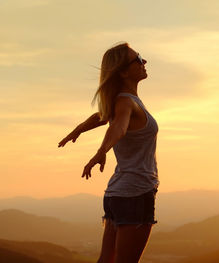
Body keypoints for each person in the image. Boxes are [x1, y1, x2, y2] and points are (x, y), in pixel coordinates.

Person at [58, 42, 160, 263]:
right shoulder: (125, 103)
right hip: (136, 192)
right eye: (138, 58)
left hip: (117, 193)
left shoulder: (122, 102)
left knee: (107, 259)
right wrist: (101, 150)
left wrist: (78, 130)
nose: (144, 62)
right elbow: (119, 127)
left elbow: (101, 117)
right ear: (123, 71)